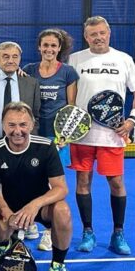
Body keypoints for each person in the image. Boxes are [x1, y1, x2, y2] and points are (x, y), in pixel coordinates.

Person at [68, 16, 135, 255]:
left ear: (108, 33)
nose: (98, 37)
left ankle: (118, 233)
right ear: (86, 36)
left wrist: (132, 120)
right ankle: (88, 232)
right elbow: (70, 96)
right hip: (82, 136)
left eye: (102, 33)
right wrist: (70, 125)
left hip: (112, 137)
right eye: (93, 34)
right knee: (83, 182)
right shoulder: (75, 59)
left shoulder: (123, 59)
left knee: (117, 183)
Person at [0, 102, 72, 271]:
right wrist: (8, 214)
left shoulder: (46, 147)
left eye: (23, 125)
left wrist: (34, 205)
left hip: (39, 207)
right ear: (3, 125)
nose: (18, 131)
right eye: (11, 125)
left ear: (32, 125)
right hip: (7, 207)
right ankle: (2, 246)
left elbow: (61, 188)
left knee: (62, 210)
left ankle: (58, 265)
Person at [22, 28, 79, 251]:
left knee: (52, 185)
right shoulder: (28, 70)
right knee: (29, 181)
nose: (49, 49)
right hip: (31, 136)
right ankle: (31, 225)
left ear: (59, 48)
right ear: (39, 47)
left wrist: (65, 135)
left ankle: (49, 232)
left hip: (58, 138)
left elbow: (71, 107)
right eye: (45, 45)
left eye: (53, 46)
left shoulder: (68, 72)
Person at [0, 41, 41, 139]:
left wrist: (29, 139)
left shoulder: (32, 83)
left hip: (22, 142)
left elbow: (35, 116)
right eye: (5, 56)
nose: (11, 61)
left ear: (20, 59)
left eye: (15, 56)